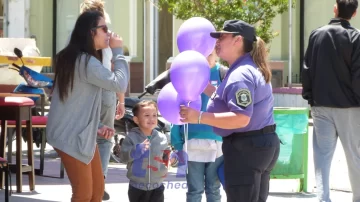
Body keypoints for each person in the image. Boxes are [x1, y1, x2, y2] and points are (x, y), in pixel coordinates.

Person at [179, 19, 280, 202]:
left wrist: (199, 117)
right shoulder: (246, 68)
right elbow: (229, 100)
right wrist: (205, 87)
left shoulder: (240, 75)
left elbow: (241, 118)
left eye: (222, 36)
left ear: (237, 40)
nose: (216, 42)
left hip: (247, 148)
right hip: (258, 144)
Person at [46, 10, 129, 202]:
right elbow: (120, 84)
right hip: (69, 136)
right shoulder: (85, 61)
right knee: (83, 194)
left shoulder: (79, 58)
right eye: (104, 29)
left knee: (96, 193)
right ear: (91, 32)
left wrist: (98, 127)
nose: (109, 33)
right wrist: (118, 52)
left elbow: (72, 103)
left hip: (82, 135)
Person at [302, 1, 360, 201]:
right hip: (350, 107)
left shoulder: (316, 34)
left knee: (322, 158)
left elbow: (307, 69)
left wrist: (310, 98)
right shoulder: (356, 37)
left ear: (335, 8)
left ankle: (323, 198)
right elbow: (358, 75)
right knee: (354, 157)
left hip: (321, 105)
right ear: (354, 13)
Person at [75, 1, 127, 200]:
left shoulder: (79, 37)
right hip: (107, 89)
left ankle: (88, 181)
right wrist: (120, 100)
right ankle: (100, 179)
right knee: (105, 137)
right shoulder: (109, 36)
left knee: (85, 134)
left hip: (86, 90)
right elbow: (117, 70)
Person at [171, 50, 224, 202]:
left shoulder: (224, 74)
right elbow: (176, 107)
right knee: (194, 190)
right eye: (203, 53)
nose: (207, 57)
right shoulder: (187, 75)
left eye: (210, 53)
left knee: (213, 188)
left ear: (217, 53)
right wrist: (177, 142)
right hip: (191, 141)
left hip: (218, 141)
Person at [119, 100, 175, 202]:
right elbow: (123, 158)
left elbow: (166, 154)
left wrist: (172, 159)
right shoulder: (131, 137)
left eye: (154, 115)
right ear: (136, 119)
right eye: (147, 115)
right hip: (137, 187)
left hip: (157, 186)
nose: (151, 119)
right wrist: (136, 150)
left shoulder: (161, 137)